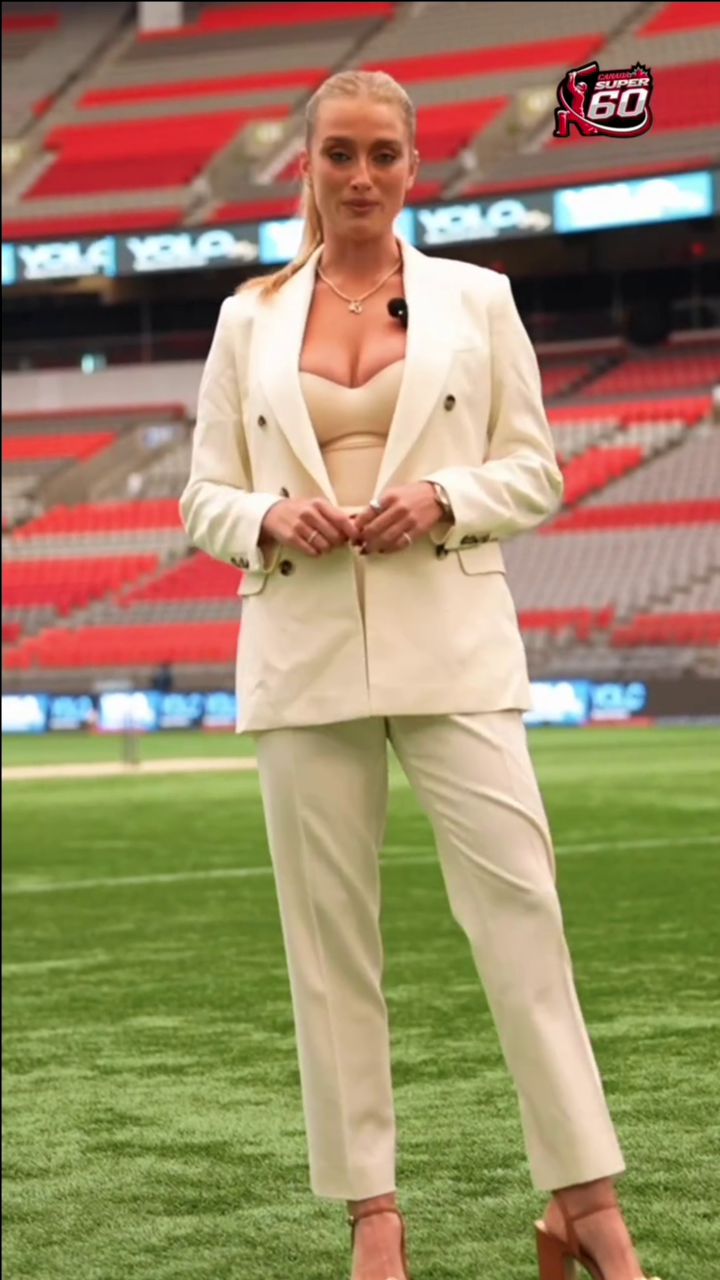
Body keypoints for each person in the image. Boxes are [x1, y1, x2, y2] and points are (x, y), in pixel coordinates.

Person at [180, 70, 661, 1280]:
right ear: (306, 163)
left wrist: (444, 494)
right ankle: (374, 1219)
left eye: (382, 155)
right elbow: (202, 494)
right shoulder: (248, 317)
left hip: (453, 643)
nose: (360, 177)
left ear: (412, 164)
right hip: (301, 654)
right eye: (339, 153)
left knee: (523, 918)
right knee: (330, 948)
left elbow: (535, 470)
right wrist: (266, 516)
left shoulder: (478, 298)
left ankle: (587, 1202)